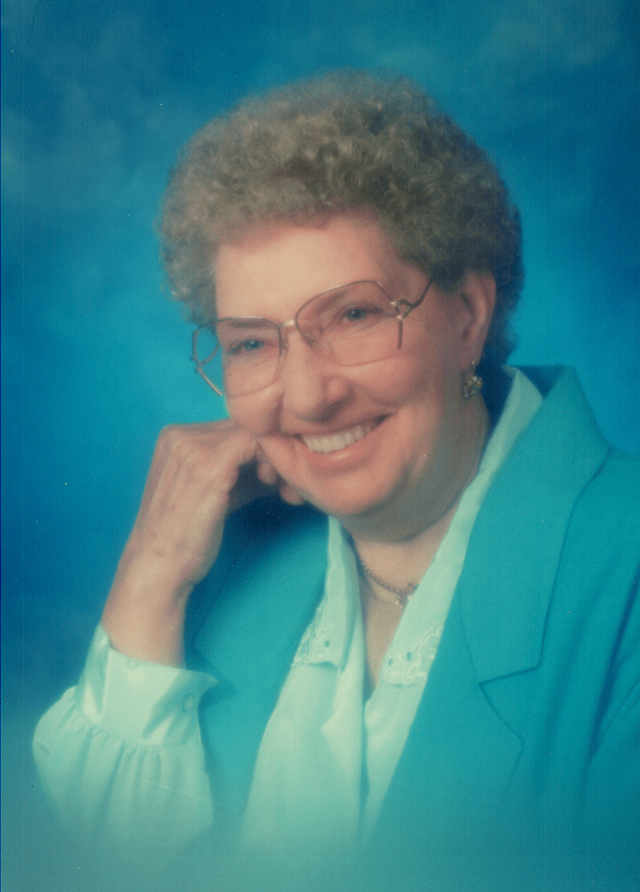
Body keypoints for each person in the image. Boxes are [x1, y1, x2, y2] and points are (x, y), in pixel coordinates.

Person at [34, 71, 639, 888]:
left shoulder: (623, 563)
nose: (308, 395)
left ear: (467, 317)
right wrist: (148, 578)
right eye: (252, 343)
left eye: (353, 316)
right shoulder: (218, 558)